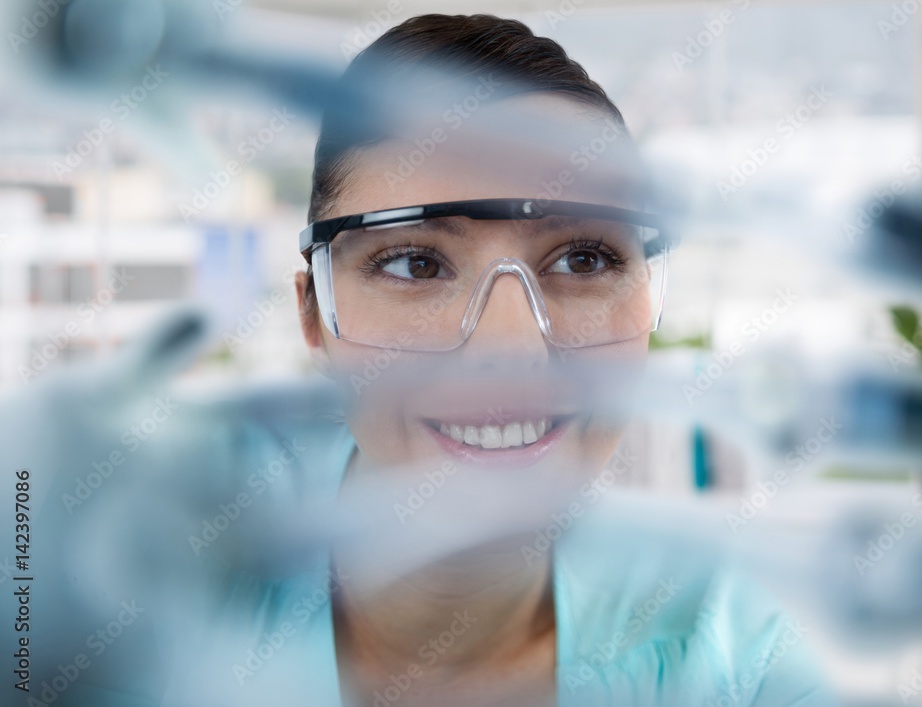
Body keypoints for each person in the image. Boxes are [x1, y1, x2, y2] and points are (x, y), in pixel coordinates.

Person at [5, 13, 835, 707]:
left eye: (584, 259)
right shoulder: (135, 556)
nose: (511, 350)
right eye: (414, 263)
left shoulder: (730, 652)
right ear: (314, 316)